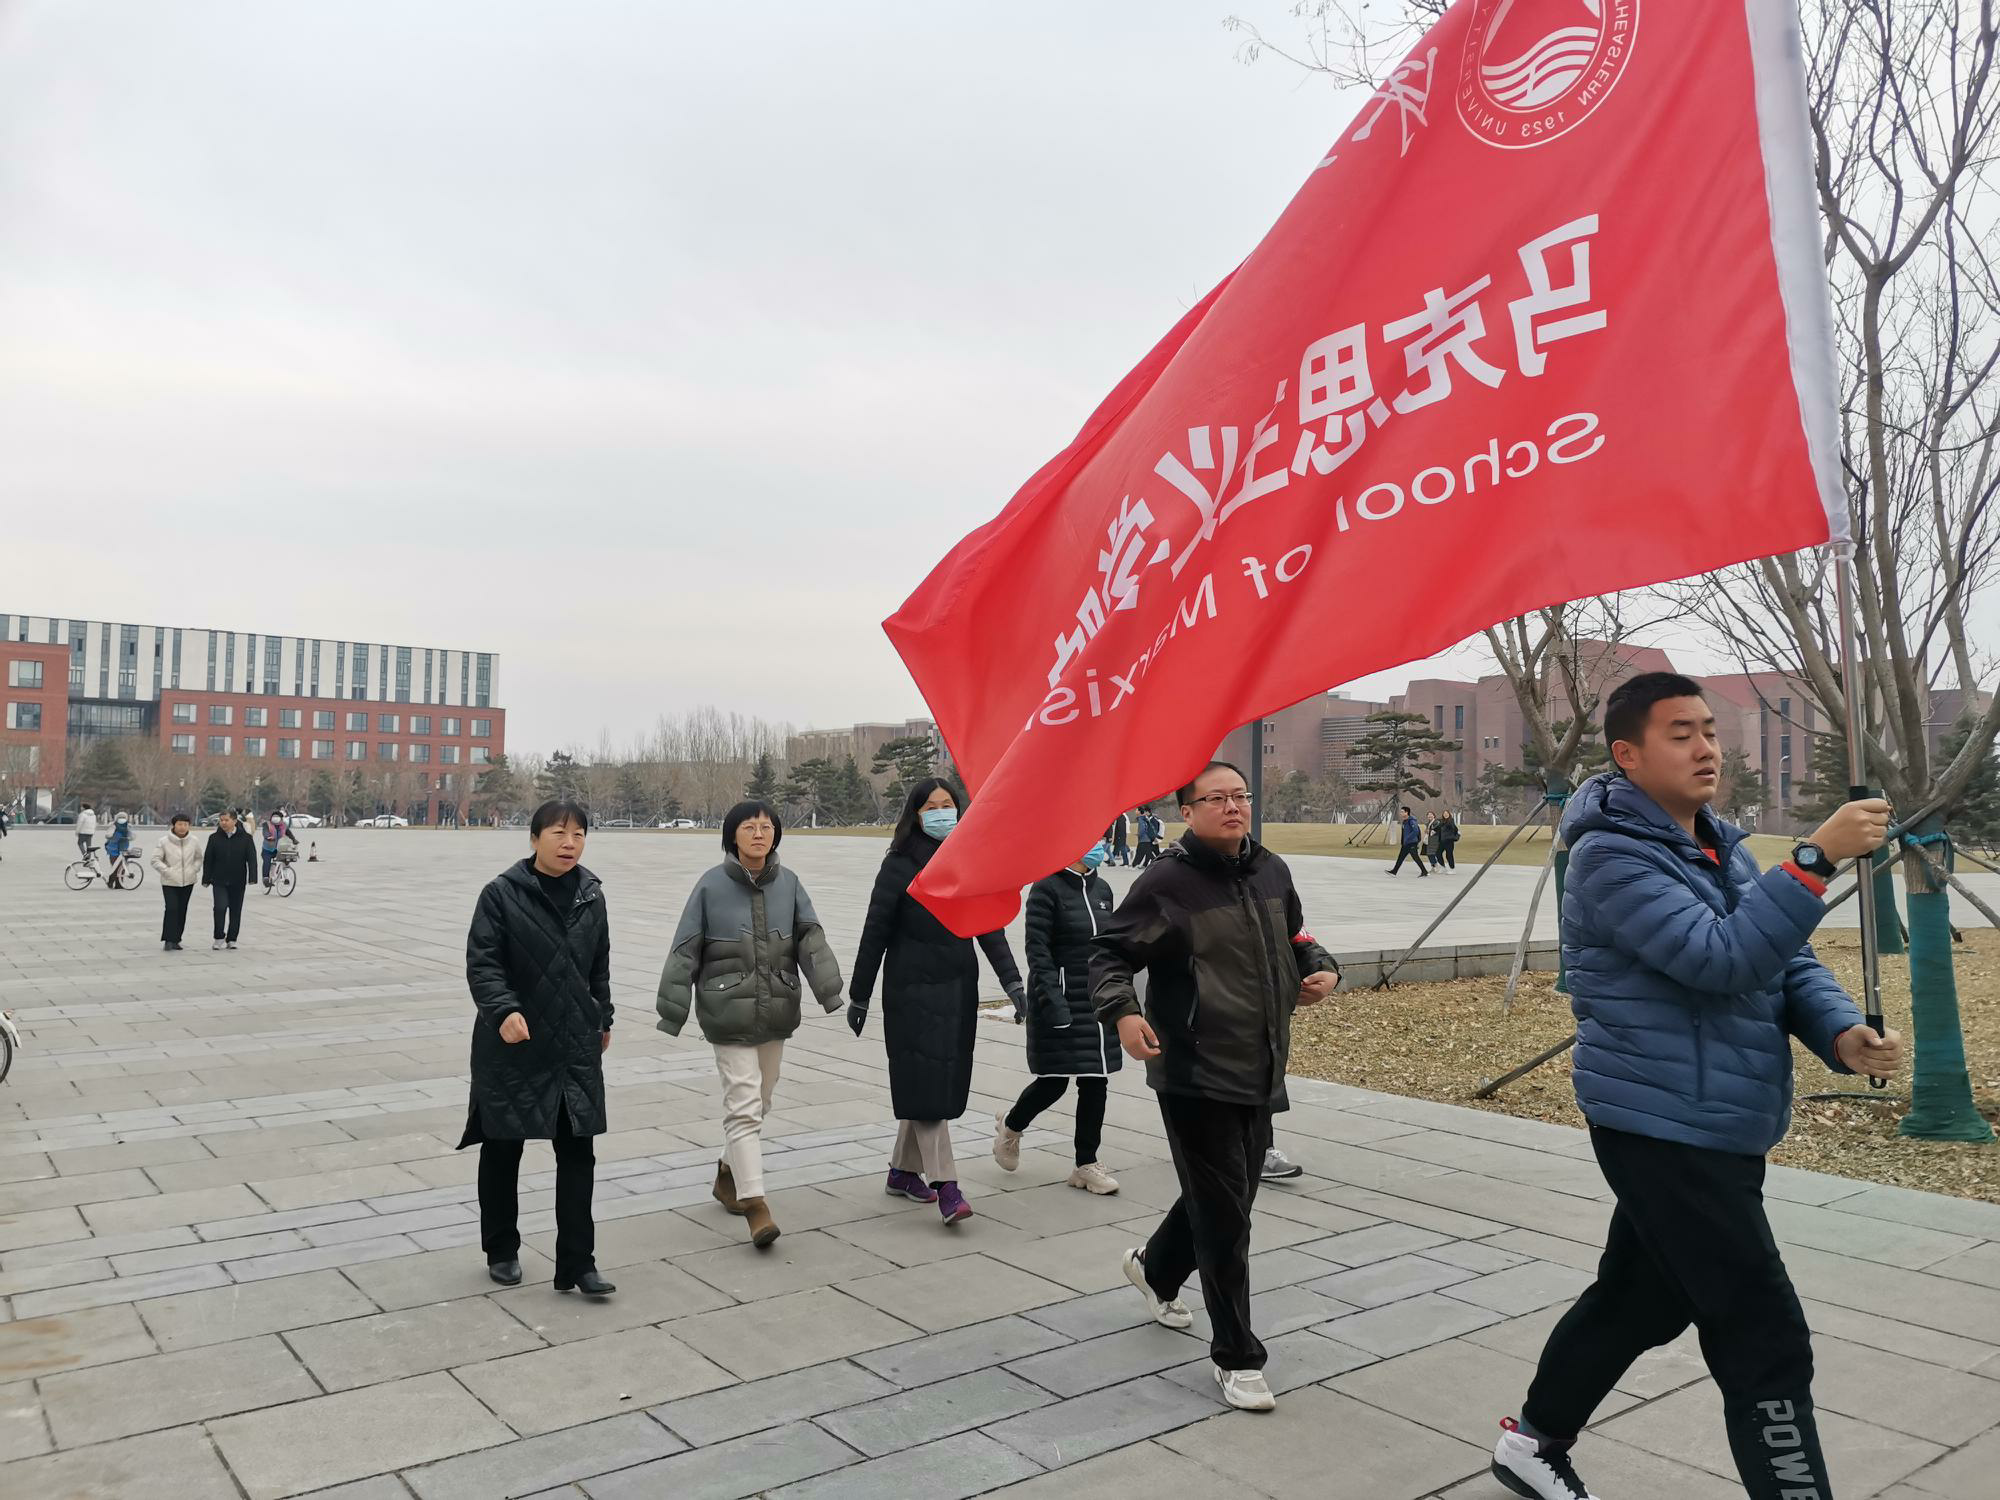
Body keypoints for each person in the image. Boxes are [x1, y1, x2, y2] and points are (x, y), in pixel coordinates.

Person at [1492, 673, 1900, 1500]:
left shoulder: (1722, 845)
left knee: (1640, 1300)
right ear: (1627, 754)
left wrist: (1838, 1031)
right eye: (1680, 733)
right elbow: (1719, 959)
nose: (1705, 747)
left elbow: (1784, 961)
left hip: (1721, 1116)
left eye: (1709, 730)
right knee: (1763, 1332)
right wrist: (1815, 859)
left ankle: (1531, 1443)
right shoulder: (1608, 857)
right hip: (1663, 1124)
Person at [1093, 761, 1339, 1413]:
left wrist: (1320, 967)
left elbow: (1297, 935)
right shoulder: (1167, 883)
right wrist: (1122, 1012)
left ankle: (1155, 1268)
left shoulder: (1271, 870)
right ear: (1187, 811)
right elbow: (1111, 954)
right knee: (1227, 1218)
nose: (1233, 807)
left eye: (1241, 796)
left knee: (1226, 1196)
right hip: (1193, 1071)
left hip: (1260, 1063)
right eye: (1217, 798)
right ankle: (1237, 1356)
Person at [657, 799, 844, 1249]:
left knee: (761, 1101)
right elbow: (685, 949)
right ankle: (755, 1204)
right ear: (732, 835)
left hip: (777, 1008)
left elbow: (811, 941)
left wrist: (830, 992)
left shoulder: (790, 884)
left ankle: (727, 1173)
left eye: (766, 827)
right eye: (749, 827)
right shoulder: (710, 886)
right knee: (743, 1105)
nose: (759, 834)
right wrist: (672, 1010)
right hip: (727, 1012)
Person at [849, 777, 1025, 1225]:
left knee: (933, 1082)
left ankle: (902, 1172)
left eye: (949, 805)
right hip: (910, 990)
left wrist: (1013, 983)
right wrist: (859, 995)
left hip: (958, 988)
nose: (943, 813)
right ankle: (947, 1186)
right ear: (916, 814)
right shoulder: (898, 865)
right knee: (926, 1084)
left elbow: (989, 928)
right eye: (932, 806)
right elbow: (875, 931)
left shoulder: (967, 862)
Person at [459, 799, 616, 1297]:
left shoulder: (591, 895)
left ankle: (578, 1262)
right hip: (514, 1043)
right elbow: (483, 963)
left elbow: (599, 966)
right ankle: (501, 1248)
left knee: (578, 1152)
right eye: (558, 834)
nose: (570, 844)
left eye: (578, 835)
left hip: (573, 1045)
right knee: (503, 1147)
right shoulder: (501, 894)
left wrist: (603, 1016)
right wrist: (503, 1011)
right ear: (534, 839)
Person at [992, 839, 1121, 1195]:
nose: (1099, 845)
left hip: (1097, 1000)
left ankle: (1086, 1164)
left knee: (1096, 1080)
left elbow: (1111, 946)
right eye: (1092, 838)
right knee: (1054, 1081)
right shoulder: (1046, 888)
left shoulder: (1102, 889)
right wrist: (1053, 1001)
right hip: (1059, 998)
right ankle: (1011, 1127)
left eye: (1102, 838)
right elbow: (1038, 952)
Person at [201, 809, 258, 950]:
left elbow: (252, 858)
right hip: (219, 880)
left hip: (238, 880)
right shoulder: (214, 838)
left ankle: (232, 939)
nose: (223, 823)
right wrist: (206, 878)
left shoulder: (246, 838)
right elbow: (208, 860)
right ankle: (219, 937)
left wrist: (252, 877)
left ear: (235, 821)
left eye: (226, 820)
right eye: (221, 820)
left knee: (235, 910)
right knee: (219, 908)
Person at [152, 811, 203, 951]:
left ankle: (176, 939)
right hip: (170, 881)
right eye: (180, 824)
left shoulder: (194, 841)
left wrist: (194, 869)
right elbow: (155, 860)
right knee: (171, 908)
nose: (182, 827)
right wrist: (167, 871)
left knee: (182, 909)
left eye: (185, 824)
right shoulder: (164, 841)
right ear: (174, 825)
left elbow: (199, 858)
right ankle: (168, 939)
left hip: (188, 880)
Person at [1388, 803, 1429, 875]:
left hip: (1411, 843)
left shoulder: (1411, 821)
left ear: (1406, 812)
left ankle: (1424, 871)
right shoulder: (1405, 821)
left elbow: (1415, 831)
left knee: (1415, 857)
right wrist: (1403, 841)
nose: (1401, 813)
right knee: (1401, 857)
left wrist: (1407, 838)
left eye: (1402, 812)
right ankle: (1394, 871)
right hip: (1406, 843)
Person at [260, 809, 293, 886]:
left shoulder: (284, 825)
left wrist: (294, 840)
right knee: (267, 862)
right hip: (268, 849)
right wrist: (268, 837)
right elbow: (265, 832)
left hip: (279, 849)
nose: (275, 818)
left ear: (281, 819)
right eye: (274, 817)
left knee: (287, 858)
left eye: (277, 817)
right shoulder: (266, 824)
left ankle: (285, 876)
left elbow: (288, 833)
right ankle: (265, 879)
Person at [103, 813, 134, 890]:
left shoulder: (114, 825)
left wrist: (113, 837)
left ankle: (112, 882)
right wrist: (126, 838)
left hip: (113, 848)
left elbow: (108, 835)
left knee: (115, 866)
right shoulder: (127, 826)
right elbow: (132, 837)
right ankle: (118, 884)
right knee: (121, 866)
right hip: (123, 848)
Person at [75, 801, 98, 866]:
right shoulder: (93, 815)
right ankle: (88, 859)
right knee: (89, 846)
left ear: (84, 808)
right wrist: (93, 831)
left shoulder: (83, 814)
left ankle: (85, 855)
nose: (81, 808)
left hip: (83, 831)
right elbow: (95, 824)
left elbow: (80, 823)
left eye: (81, 807)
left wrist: (77, 831)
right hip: (90, 832)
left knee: (80, 843)